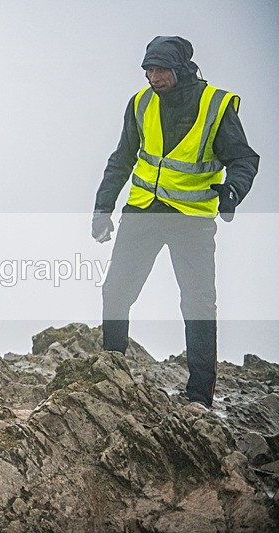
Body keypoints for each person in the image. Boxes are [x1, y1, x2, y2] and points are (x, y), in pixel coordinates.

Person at [93, 36, 259, 412]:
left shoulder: (216, 105)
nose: (153, 76)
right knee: (116, 292)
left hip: (192, 220)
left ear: (182, 69)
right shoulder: (140, 103)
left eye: (161, 69)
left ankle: (198, 397)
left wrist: (233, 191)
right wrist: (103, 208)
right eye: (148, 69)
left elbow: (244, 159)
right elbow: (121, 159)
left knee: (198, 304)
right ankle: (111, 373)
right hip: (143, 211)